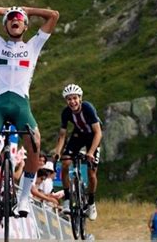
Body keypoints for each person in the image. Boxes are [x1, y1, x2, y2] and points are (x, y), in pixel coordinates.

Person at [0, 5, 59, 216]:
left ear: (26, 25)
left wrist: (26, 10)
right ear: (5, 25)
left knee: (34, 144)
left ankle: (23, 199)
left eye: (19, 18)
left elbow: (54, 16)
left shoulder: (34, 45)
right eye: (11, 18)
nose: (15, 20)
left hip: (21, 104)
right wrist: (7, 9)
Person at [53, 84, 102, 220]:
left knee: (92, 174)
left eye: (75, 98)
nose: (72, 102)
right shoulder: (66, 113)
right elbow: (62, 135)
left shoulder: (88, 108)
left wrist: (90, 152)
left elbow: (98, 133)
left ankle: (91, 203)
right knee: (64, 163)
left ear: (80, 98)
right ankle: (68, 200)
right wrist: (58, 152)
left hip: (93, 137)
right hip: (78, 135)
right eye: (69, 99)